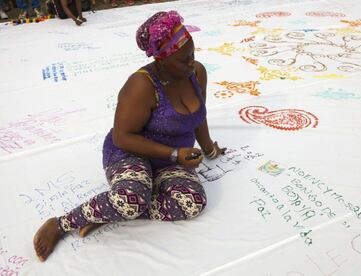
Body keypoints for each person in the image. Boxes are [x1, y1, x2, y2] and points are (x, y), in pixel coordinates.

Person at [33, 10, 226, 262]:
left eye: (192, 55)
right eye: (184, 59)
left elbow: (198, 116)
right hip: (130, 152)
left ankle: (113, 210)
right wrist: (174, 153)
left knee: (191, 204)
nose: (192, 63)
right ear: (162, 59)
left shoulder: (196, 73)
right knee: (130, 199)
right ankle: (61, 223)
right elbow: (123, 137)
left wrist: (210, 150)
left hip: (170, 161)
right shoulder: (141, 85)